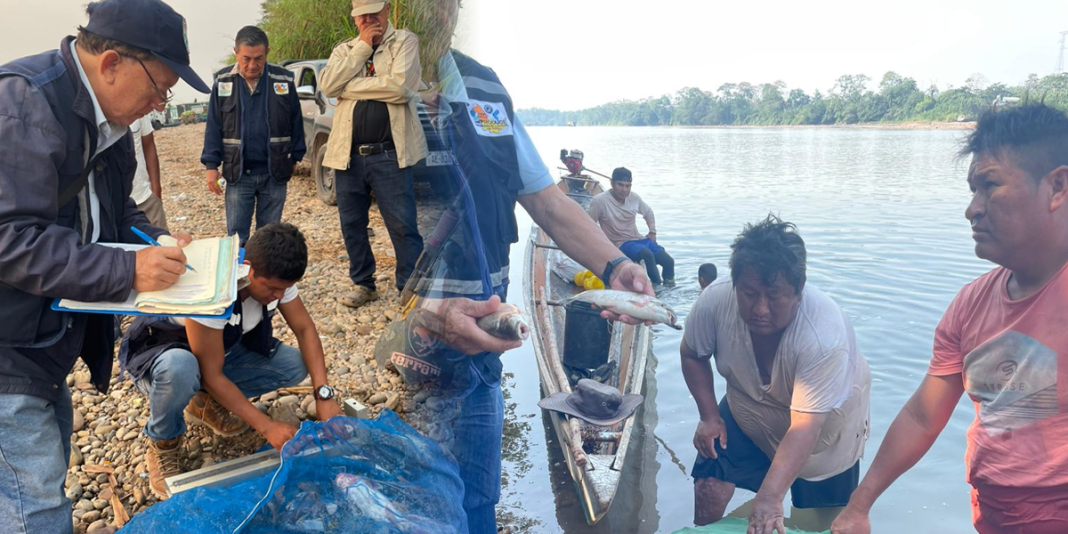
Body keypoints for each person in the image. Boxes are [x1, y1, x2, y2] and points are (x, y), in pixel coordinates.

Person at [389, 1, 654, 531]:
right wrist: (416, 315)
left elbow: (550, 204)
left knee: (481, 496)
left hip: (487, 338)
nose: (434, 8)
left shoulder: (484, 88)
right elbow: (341, 235)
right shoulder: (361, 89)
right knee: (421, 503)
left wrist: (614, 264)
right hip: (409, 352)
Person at [0, 0, 208, 531]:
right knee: (37, 509)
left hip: (44, 341)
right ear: (112, 63)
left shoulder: (112, 122)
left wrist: (157, 239)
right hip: (8, 348)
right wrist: (127, 272)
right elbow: (8, 238)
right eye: (158, 88)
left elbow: (117, 212)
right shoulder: (23, 101)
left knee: (32, 479)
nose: (159, 104)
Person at [832, 104, 1068, 534]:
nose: (972, 210)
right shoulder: (970, 305)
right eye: (971, 190)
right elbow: (924, 417)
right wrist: (858, 506)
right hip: (993, 514)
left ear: (1057, 186)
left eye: (989, 186)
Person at [119, 223, 344, 500]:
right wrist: (266, 426)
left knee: (293, 364)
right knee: (181, 367)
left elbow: (305, 329)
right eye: (272, 288)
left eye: (284, 290)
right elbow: (211, 374)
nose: (278, 296)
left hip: (215, 350)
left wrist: (323, 395)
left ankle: (203, 405)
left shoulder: (277, 282)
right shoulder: (214, 290)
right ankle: (163, 441)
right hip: (160, 358)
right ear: (247, 268)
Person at [682, 215, 871, 534]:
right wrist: (710, 416)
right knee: (708, 484)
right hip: (747, 410)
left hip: (823, 433)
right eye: (750, 293)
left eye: (774, 296)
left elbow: (804, 426)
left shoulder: (823, 337)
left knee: (823, 523)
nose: (759, 309)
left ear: (799, 292)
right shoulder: (715, 301)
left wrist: (770, 498)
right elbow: (692, 354)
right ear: (735, 284)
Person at [319, 0, 427, 309]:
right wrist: (362, 49)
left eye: (373, 13)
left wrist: (350, 87)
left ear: (388, 9)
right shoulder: (346, 49)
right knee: (351, 223)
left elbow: (401, 88)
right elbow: (328, 85)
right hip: (347, 154)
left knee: (403, 224)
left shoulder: (404, 41)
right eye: (361, 16)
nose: (368, 20)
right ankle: (363, 284)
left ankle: (410, 286)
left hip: (390, 154)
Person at [201, 26, 305, 245]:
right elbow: (214, 125)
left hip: (274, 173)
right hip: (238, 174)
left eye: (259, 58)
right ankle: (237, 277)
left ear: (267, 52)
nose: (252, 65)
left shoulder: (283, 80)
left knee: (268, 237)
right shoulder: (222, 82)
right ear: (236, 52)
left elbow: (296, 121)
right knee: (237, 237)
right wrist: (211, 166)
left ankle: (262, 278)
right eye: (246, 58)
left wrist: (295, 157)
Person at [587, 167, 676, 286]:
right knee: (647, 255)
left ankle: (669, 288)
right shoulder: (599, 201)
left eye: (627, 186)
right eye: (620, 185)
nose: (624, 190)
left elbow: (648, 213)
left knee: (669, 261)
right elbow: (589, 225)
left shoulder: (634, 198)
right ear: (612, 183)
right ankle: (657, 289)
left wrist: (652, 232)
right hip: (620, 243)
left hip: (638, 239)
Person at [130, 113, 168, 229]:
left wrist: (156, 191)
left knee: (162, 243)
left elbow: (149, 145)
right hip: (113, 205)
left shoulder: (137, 107)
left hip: (145, 198)